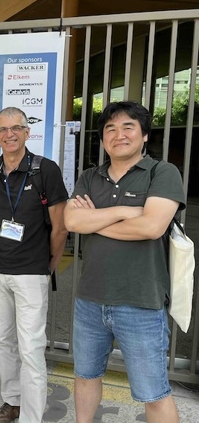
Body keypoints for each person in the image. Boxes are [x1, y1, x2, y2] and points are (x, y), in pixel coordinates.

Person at [64, 101, 184, 423]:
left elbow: (151, 227)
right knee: (86, 376)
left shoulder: (162, 172)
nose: (119, 135)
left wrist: (95, 219)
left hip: (141, 302)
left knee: (153, 392)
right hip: (90, 299)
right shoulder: (90, 176)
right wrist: (122, 212)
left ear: (144, 135)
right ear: (103, 138)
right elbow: (73, 223)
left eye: (128, 127)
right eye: (110, 129)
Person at [0, 107, 68, 423]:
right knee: (6, 342)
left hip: (30, 271)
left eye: (16, 128)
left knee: (31, 347)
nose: (9, 134)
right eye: (2, 129)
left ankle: (31, 416)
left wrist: (49, 262)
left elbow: (60, 226)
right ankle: (12, 401)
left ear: (27, 132)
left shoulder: (45, 171)